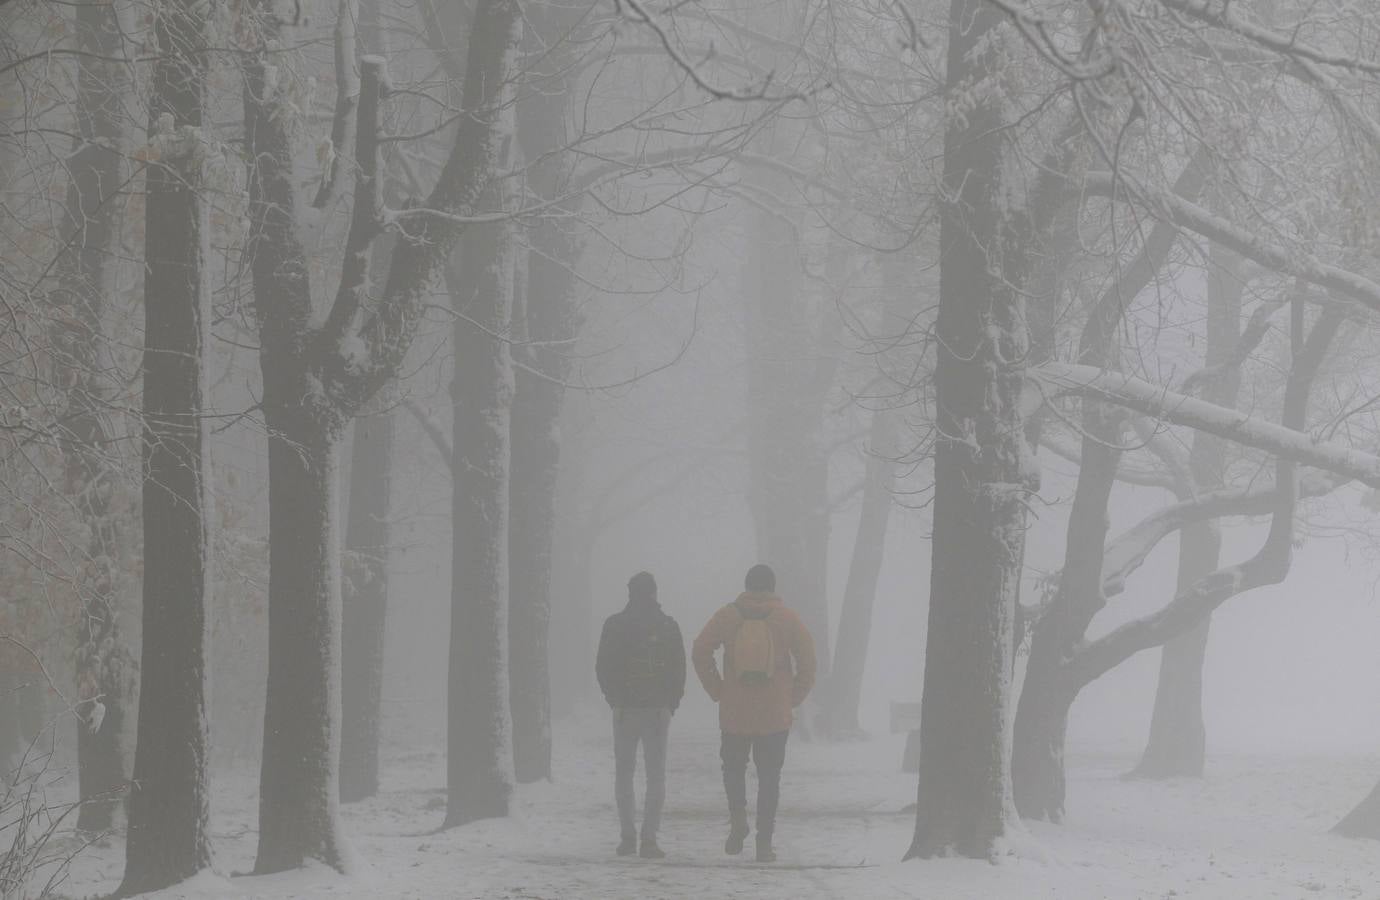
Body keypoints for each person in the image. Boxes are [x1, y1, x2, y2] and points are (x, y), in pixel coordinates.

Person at [692, 563, 816, 863]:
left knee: (733, 769)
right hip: (774, 713)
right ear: (772, 587)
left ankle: (738, 821)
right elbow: (808, 661)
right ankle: (764, 842)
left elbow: (700, 650)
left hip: (735, 711)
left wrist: (718, 689)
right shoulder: (787, 618)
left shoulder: (728, 615)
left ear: (746, 586)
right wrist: (792, 697)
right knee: (769, 777)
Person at [595, 571, 686, 859]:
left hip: (625, 711)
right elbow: (678, 669)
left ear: (629, 593)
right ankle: (649, 837)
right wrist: (671, 703)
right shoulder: (668, 626)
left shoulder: (615, 624)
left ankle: (627, 836)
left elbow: (603, 667)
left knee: (624, 773)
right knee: (655, 775)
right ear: (655, 593)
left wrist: (614, 700)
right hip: (657, 711)